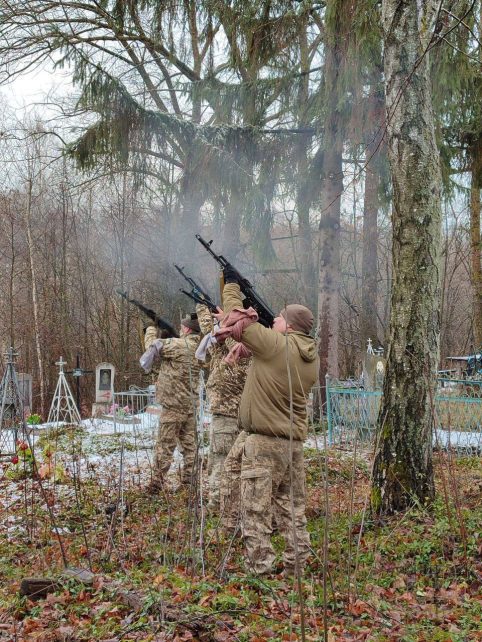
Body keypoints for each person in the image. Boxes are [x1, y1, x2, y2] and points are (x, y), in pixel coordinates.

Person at [222, 272, 318, 576]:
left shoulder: (278, 346)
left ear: (289, 325)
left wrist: (231, 285)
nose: (272, 322)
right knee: (292, 509)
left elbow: (233, 316)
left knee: (255, 510)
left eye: (276, 319)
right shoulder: (309, 356)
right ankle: (297, 565)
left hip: (264, 443)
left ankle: (260, 569)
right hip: (292, 445)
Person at [195, 304, 250, 511]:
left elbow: (219, 338)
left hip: (229, 412)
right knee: (220, 460)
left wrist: (212, 316)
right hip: (229, 412)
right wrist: (208, 314)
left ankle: (220, 505)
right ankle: (225, 503)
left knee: (221, 461)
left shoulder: (243, 345)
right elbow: (213, 342)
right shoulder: (232, 343)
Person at [142, 314, 201, 490]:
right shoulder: (199, 346)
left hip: (173, 406)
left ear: (187, 329)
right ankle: (190, 483)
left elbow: (151, 347)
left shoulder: (179, 345)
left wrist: (151, 328)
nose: (181, 329)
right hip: (190, 405)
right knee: (190, 446)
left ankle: (156, 484)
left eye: (182, 327)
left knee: (165, 445)